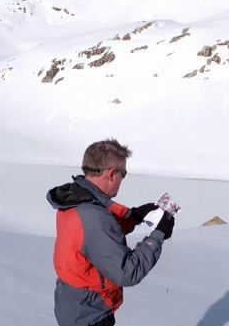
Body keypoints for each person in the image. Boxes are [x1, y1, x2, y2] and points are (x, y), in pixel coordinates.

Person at [46, 139, 175, 326]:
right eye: (124, 174)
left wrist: (135, 215)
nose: (122, 179)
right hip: (89, 314)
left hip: (74, 305)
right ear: (112, 174)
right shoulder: (93, 216)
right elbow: (127, 273)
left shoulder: (75, 199)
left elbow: (96, 236)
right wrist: (158, 234)